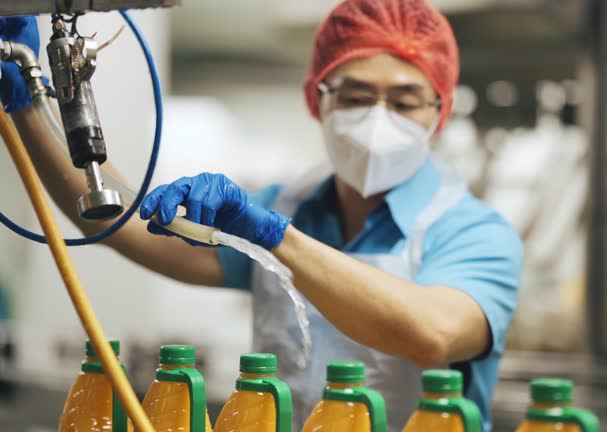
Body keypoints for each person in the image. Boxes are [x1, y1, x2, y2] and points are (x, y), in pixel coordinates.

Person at [0, 1, 523, 430]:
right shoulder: (290, 205)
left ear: (441, 110)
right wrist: (28, 102)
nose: (377, 119)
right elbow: (115, 218)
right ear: (316, 101)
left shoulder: (475, 233)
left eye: (405, 102)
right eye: (356, 96)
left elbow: (429, 334)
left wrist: (273, 236)